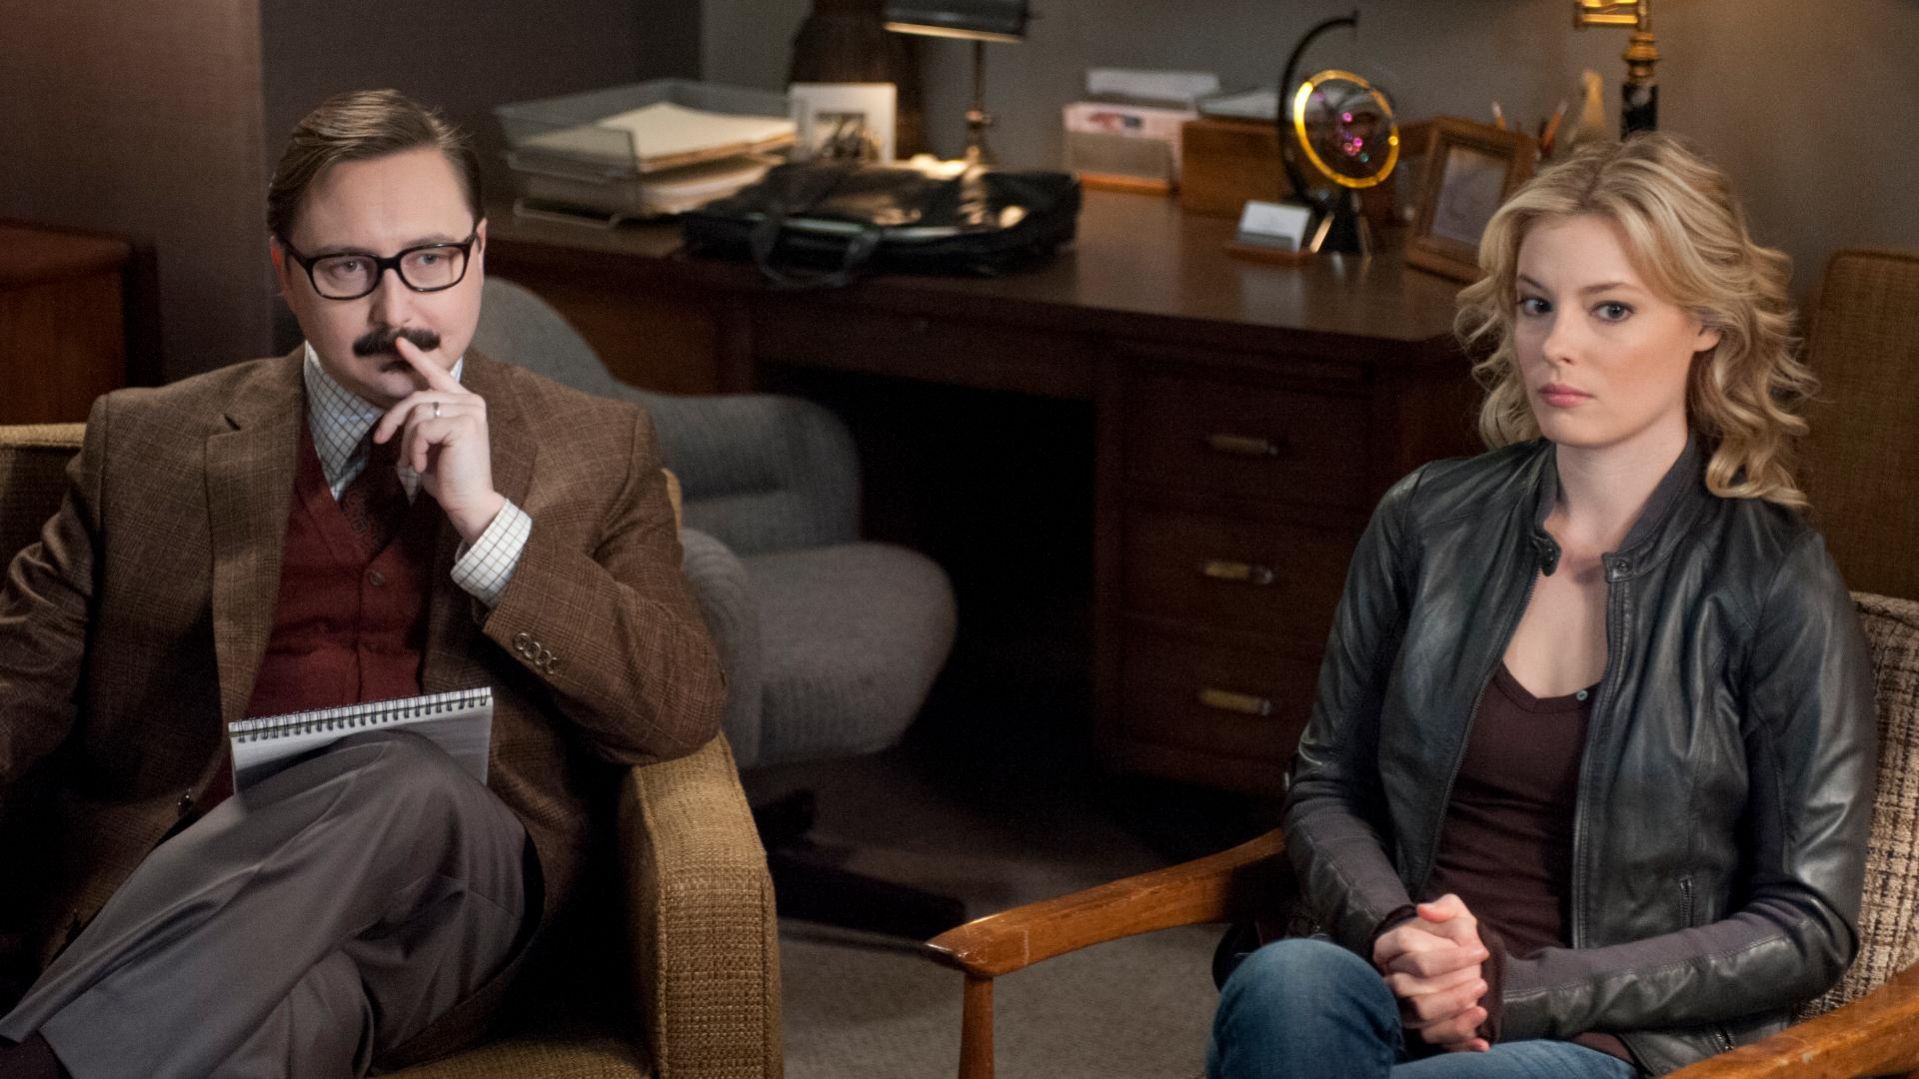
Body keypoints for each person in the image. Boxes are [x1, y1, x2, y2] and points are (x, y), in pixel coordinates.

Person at [0, 89, 726, 1079]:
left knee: (403, 779)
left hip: (455, 908)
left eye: (430, 258)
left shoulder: (595, 450)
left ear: (479, 250)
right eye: (347, 267)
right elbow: (17, 686)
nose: (396, 310)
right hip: (193, 910)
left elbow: (677, 706)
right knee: (285, 1016)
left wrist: (488, 523)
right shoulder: (146, 443)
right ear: (285, 272)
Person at [1207, 133, 1877, 1077]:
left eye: (1610, 309)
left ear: (1706, 321)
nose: (1555, 344)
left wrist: (1521, 988)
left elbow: (1807, 922)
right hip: (1398, 983)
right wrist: (1396, 929)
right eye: (1535, 304)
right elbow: (1324, 785)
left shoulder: (1774, 579)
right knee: (1285, 982)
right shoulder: (1426, 518)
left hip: (1606, 1037)